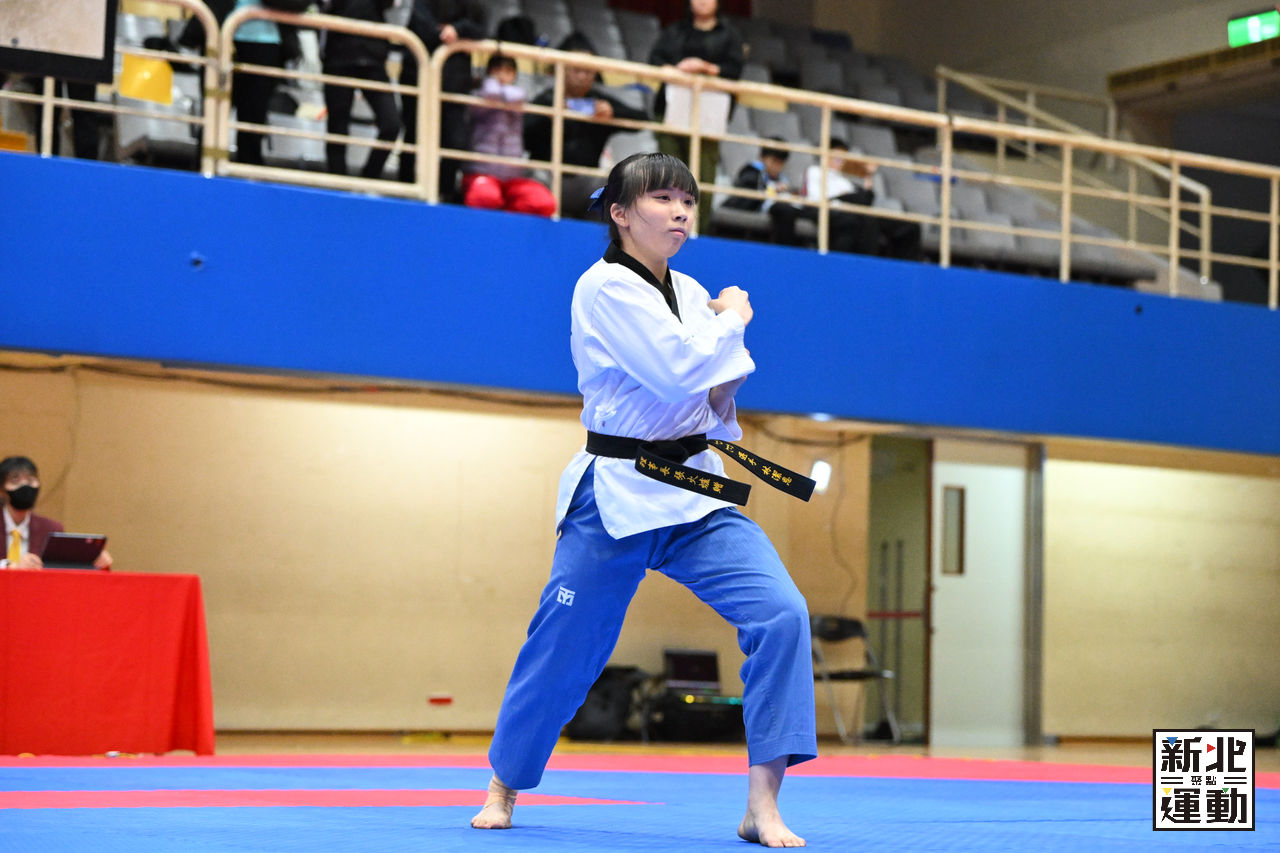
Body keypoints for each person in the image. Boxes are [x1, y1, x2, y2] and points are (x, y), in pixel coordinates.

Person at [469, 153, 815, 848]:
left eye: (688, 199)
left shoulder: (690, 290)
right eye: (662, 198)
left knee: (783, 614)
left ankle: (762, 804)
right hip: (616, 495)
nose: (680, 210)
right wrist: (734, 319)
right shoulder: (602, 287)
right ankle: (505, 782)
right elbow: (677, 371)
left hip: (695, 493)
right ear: (620, 213)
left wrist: (723, 355)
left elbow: (710, 396)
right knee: (565, 646)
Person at [523, 32, 650, 218]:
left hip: (586, 183)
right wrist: (547, 117)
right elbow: (523, 135)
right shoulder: (547, 99)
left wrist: (613, 113)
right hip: (545, 177)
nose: (582, 76)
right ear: (563, 69)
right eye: (577, 70)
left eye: (588, 71)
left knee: (612, 194)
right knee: (530, 186)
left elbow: (643, 119)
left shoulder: (599, 102)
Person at [648, 0, 744, 226]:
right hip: (672, 107)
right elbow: (655, 59)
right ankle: (662, 226)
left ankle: (699, 230)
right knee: (667, 172)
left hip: (710, 111)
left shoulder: (729, 35)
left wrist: (705, 67)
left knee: (702, 175)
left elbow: (734, 69)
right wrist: (675, 70)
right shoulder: (675, 30)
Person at [773, 138, 922, 259]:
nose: (841, 161)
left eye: (843, 158)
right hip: (833, 213)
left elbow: (865, 200)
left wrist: (867, 179)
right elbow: (818, 200)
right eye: (837, 157)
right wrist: (851, 197)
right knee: (860, 221)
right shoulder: (815, 171)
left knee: (909, 227)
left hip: (854, 212)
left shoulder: (845, 181)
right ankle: (862, 265)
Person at [399, 0, 487, 194]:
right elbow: (425, 29)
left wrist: (457, 29)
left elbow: (481, 29)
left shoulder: (474, 5)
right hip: (418, 79)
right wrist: (454, 36)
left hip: (455, 84)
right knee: (414, 135)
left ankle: (443, 193)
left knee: (454, 142)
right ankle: (406, 190)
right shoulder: (423, 4)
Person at [461, 54, 555, 216]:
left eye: (508, 71)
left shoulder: (518, 99)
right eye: (497, 70)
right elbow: (491, 94)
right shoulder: (477, 96)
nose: (502, 75)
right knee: (485, 197)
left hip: (512, 177)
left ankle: (506, 217)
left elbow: (517, 96)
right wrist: (491, 83)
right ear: (488, 73)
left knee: (543, 202)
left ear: (515, 75)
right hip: (480, 173)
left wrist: (500, 90)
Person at [322, 0, 402, 179]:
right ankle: (337, 185)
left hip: (373, 57)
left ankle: (368, 180)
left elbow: (392, 3)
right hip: (338, 56)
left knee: (391, 124)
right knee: (337, 127)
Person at [1, 456, 112, 570]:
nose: (25, 486)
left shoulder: (51, 529)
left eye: (30, 480)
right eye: (15, 481)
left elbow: (60, 566)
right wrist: (9, 567)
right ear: (1, 489)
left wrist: (94, 562)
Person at [723, 137, 791, 212]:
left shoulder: (782, 179)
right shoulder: (751, 173)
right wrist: (773, 188)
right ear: (762, 157)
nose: (776, 167)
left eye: (781, 163)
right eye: (774, 161)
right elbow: (747, 200)